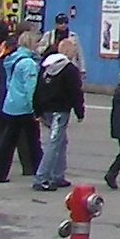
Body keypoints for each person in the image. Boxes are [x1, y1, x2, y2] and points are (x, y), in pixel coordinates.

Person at [0, 27, 44, 183]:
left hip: (11, 103)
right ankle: (41, 170)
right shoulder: (28, 63)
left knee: (9, 140)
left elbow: (10, 81)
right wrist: (35, 108)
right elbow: (31, 87)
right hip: (24, 106)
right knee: (32, 141)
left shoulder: (11, 59)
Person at [29, 32, 85, 194]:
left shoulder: (46, 66)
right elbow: (76, 93)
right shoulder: (69, 70)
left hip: (45, 109)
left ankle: (57, 174)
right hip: (60, 110)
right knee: (53, 143)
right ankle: (42, 178)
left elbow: (37, 89)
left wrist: (36, 109)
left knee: (60, 141)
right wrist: (80, 112)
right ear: (68, 52)